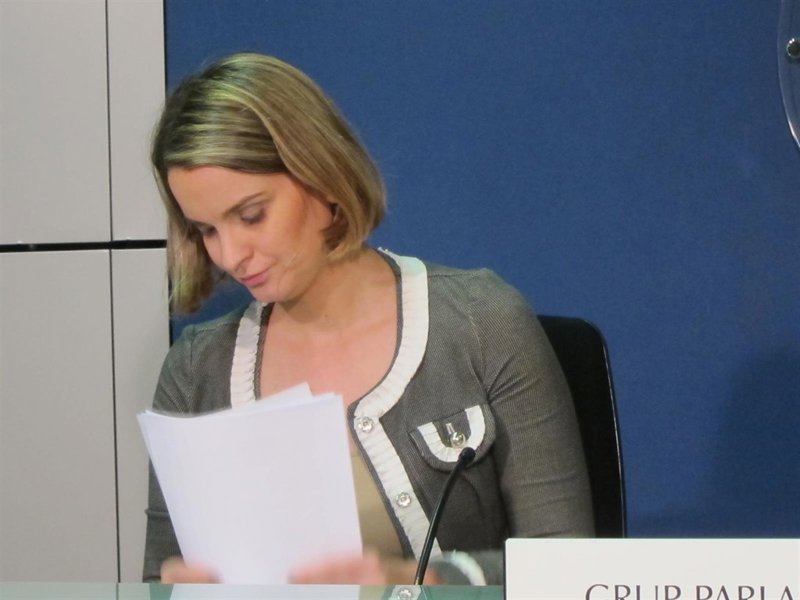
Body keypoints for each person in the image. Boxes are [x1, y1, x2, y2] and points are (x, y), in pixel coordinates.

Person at [143, 52, 594, 586]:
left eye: (251, 215)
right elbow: (156, 582)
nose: (230, 255)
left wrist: (425, 581)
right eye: (206, 231)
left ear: (324, 179)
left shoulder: (483, 323)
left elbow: (568, 568)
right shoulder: (195, 372)